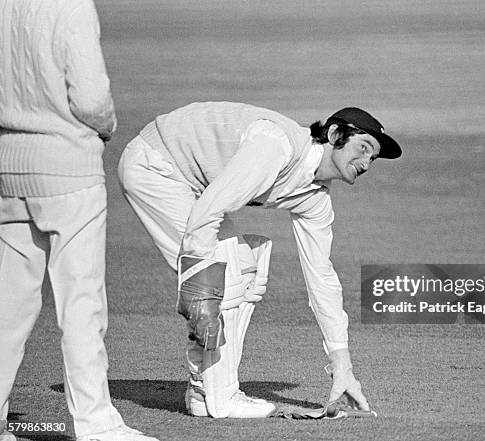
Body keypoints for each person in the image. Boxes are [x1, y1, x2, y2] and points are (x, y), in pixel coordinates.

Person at [118, 101, 402, 418]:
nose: (366, 162)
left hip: (191, 182)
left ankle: (204, 390)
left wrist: (342, 364)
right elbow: (210, 211)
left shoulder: (315, 198)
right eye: (363, 148)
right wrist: (201, 288)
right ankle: (218, 396)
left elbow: (322, 278)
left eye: (372, 158)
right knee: (228, 272)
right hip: (157, 166)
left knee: (246, 269)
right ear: (335, 133)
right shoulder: (276, 146)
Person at [0, 0, 158, 440]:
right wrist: (105, 128)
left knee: (8, 306)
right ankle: (96, 424)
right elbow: (90, 98)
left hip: (8, 165)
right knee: (82, 302)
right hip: (68, 164)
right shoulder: (70, 5)